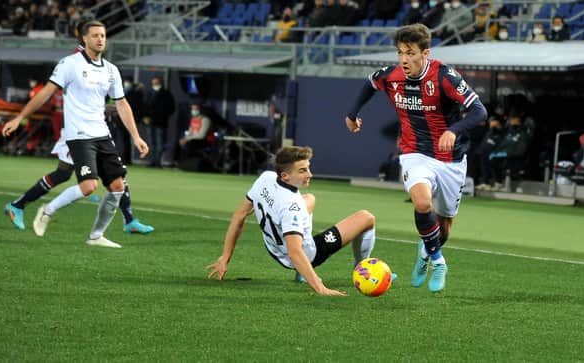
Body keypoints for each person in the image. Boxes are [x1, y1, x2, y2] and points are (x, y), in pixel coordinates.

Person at [344, 23, 487, 292]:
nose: (404, 60)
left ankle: (425, 254)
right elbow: (369, 83)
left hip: (451, 159)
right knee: (422, 204)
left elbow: (479, 111)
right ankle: (438, 261)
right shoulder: (391, 75)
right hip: (414, 153)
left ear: (426, 53)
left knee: (443, 226)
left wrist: (454, 131)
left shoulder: (445, 77)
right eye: (400, 53)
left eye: (410, 53)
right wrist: (352, 114)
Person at [2, 20, 149, 248]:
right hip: (79, 135)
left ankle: (96, 236)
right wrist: (20, 117)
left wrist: (136, 136)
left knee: (118, 186)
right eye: (95, 35)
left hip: (102, 133)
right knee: (88, 186)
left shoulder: (111, 70)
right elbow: (46, 93)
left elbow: (122, 104)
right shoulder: (69, 64)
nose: (100, 39)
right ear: (84, 39)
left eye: (103, 35)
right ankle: (47, 211)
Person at [206, 146, 377, 296]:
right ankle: (362, 269)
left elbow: (239, 215)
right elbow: (295, 252)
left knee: (310, 198)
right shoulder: (291, 206)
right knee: (367, 218)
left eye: (308, 168)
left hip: (273, 248)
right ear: (285, 175)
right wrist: (320, 288)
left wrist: (225, 257)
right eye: (302, 171)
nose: (310, 174)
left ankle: (301, 266)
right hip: (305, 255)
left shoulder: (265, 178)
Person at [3, 128, 154, 235]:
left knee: (117, 176)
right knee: (63, 174)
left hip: (98, 132)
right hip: (79, 133)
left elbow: (118, 104)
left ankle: (129, 221)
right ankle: (18, 206)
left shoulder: (109, 85)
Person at [144, 76, 175, 167]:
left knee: (160, 143)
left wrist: (160, 116)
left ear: (160, 83)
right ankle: (152, 161)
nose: (155, 85)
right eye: (153, 83)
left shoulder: (166, 94)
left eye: (156, 83)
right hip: (150, 122)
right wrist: (145, 117)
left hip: (161, 123)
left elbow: (170, 109)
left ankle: (158, 162)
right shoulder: (149, 93)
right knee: (151, 143)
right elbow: (145, 106)